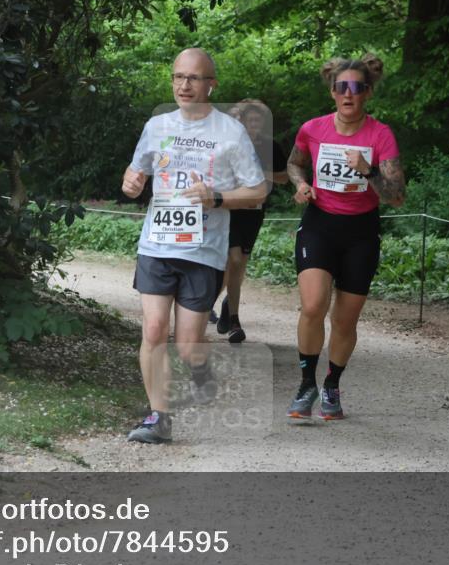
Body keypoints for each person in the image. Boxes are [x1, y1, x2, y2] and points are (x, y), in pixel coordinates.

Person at [121, 48, 266, 443]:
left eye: (194, 78)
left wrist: (216, 198)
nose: (185, 85)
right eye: (178, 77)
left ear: (211, 84)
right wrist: (131, 182)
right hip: (157, 242)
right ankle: (159, 418)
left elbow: (257, 190)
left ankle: (200, 369)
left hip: (203, 249)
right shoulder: (158, 125)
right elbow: (136, 172)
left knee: (187, 346)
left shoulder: (230, 132)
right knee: (153, 329)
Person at [285, 55, 405, 423]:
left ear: (367, 93)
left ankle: (332, 384)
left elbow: (396, 195)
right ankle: (307, 383)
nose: (349, 94)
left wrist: (368, 171)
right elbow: (294, 163)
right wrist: (301, 184)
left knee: (344, 321)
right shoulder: (313, 128)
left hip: (360, 232)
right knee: (312, 305)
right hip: (320, 224)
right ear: (332, 92)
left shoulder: (380, 134)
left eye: (357, 88)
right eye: (342, 87)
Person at [211, 99, 288, 343]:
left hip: (254, 212)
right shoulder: (229, 144)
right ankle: (233, 320)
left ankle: (229, 309)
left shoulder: (270, 146)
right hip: (230, 209)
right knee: (232, 259)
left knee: (239, 264)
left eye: (258, 120)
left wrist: (260, 174)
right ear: (241, 122)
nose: (254, 124)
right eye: (249, 120)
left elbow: (285, 178)